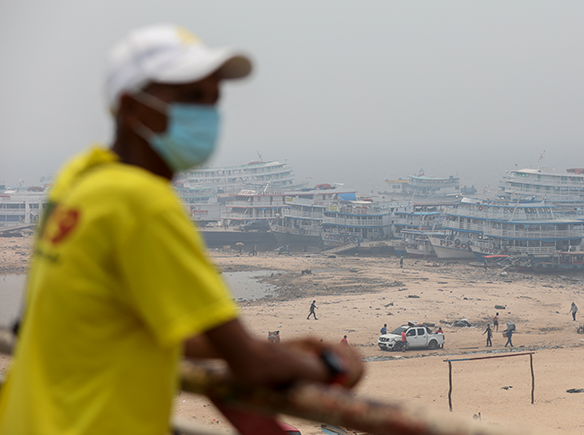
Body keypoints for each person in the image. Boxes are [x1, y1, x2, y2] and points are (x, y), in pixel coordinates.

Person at [0, 25, 363, 435]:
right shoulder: (144, 202)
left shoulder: (79, 178)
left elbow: (124, 324)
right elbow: (253, 366)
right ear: (131, 107)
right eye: (191, 98)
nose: (206, 114)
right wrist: (335, 365)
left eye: (213, 100)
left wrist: (271, 348)